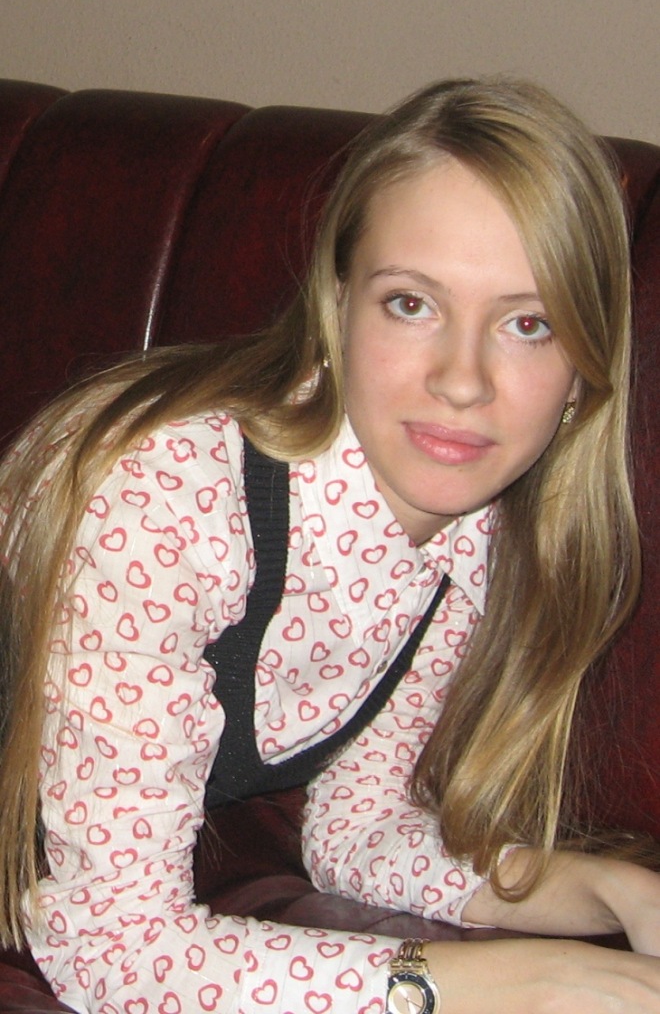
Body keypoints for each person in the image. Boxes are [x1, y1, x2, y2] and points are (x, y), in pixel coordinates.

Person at [0, 76, 658, 1014]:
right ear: (337, 305)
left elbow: (358, 833)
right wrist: (506, 982)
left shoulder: (464, 538)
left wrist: (611, 892)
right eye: (411, 304)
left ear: (582, 374)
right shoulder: (168, 500)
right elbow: (116, 948)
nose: (462, 380)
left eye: (528, 324)